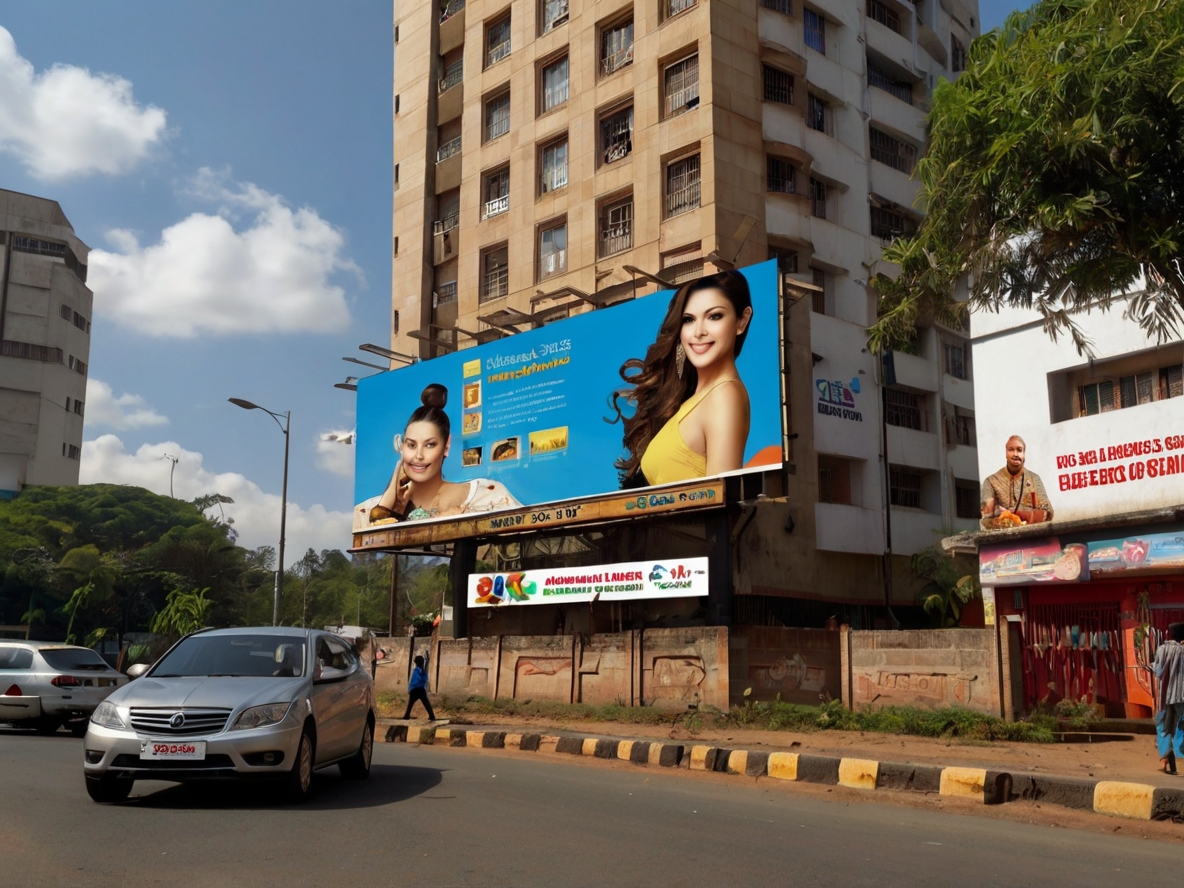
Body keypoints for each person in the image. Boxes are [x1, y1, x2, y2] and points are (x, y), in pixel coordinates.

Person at [609, 270, 753, 487]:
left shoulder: (725, 395)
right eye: (688, 320)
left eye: (714, 316)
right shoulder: (692, 402)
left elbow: (721, 498)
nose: (698, 332)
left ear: (742, 320)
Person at [355, 384, 521, 528]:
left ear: (446, 446)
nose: (418, 456)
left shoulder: (488, 496)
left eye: (430, 445)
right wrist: (390, 497)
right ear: (402, 446)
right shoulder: (364, 511)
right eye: (411, 445)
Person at [980, 435, 1054, 527]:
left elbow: (1048, 513)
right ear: (1006, 453)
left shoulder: (1034, 479)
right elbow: (986, 519)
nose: (1015, 454)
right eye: (1011, 450)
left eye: (1019, 450)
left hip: (1031, 533)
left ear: (1024, 454)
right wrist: (1005, 521)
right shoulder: (991, 481)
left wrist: (1021, 514)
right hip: (1004, 534)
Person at [1153, 622, 1184, 775]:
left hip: (1164, 697)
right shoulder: (1182, 651)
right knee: (1181, 727)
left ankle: (1166, 761)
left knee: (1164, 728)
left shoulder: (1162, 649)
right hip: (1181, 696)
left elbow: (1157, 670)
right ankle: (1180, 757)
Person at [402, 654, 436, 721]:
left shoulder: (416, 670)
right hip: (421, 690)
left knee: (410, 704)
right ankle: (432, 716)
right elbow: (425, 679)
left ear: (416, 663)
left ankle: (406, 716)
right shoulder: (423, 671)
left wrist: (410, 689)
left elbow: (414, 681)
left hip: (415, 690)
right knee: (426, 704)